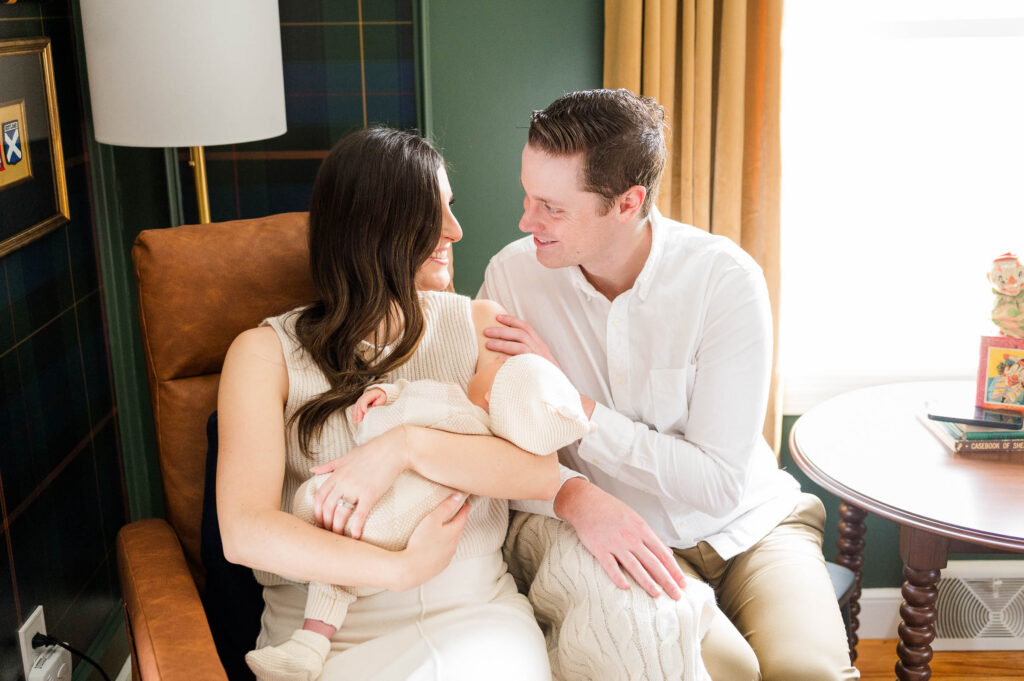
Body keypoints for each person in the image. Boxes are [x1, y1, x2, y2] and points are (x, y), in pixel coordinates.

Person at [479, 89, 860, 681]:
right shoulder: (512, 277)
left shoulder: (723, 282)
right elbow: (490, 442)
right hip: (623, 537)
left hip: (752, 528)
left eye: (551, 207)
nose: (526, 221)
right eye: (528, 196)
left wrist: (573, 404)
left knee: (807, 672)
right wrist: (574, 494)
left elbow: (714, 484)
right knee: (717, 671)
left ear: (627, 203)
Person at [216, 126, 560, 681]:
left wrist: (403, 447)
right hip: (323, 635)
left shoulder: (481, 325)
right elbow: (245, 531)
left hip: (474, 612)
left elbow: (539, 472)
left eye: (451, 208)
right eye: (433, 213)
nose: (456, 230)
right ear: (373, 227)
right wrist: (398, 570)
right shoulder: (265, 354)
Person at [244, 352, 594, 681]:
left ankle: (309, 643)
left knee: (332, 548)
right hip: (413, 532)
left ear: (489, 396)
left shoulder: (451, 402)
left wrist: (384, 396)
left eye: (501, 364)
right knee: (339, 570)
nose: (495, 357)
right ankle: (310, 644)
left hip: (382, 517)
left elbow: (389, 416)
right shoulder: (494, 443)